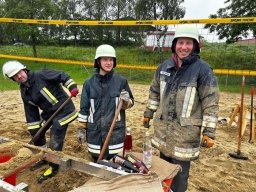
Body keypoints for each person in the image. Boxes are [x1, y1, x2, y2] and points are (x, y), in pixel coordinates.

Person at [143, 25, 219, 192]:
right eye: (180, 42)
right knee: (163, 170)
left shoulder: (203, 71)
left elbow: (210, 102)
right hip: (164, 131)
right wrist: (148, 113)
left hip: (185, 134)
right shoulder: (163, 68)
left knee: (179, 177)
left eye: (188, 43)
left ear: (195, 46)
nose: (184, 47)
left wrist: (209, 132)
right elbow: (155, 92)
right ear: (174, 44)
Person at [2, 60, 79, 183]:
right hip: (49, 113)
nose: (19, 76)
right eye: (15, 76)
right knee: (37, 132)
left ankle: (53, 166)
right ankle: (43, 156)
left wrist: (72, 87)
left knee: (56, 131)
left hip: (64, 109)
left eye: (20, 73)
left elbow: (62, 75)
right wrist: (34, 132)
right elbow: (31, 112)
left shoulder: (41, 74)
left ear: (24, 70)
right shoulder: (24, 91)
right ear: (13, 79)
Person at [77, 44, 134, 162]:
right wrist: (81, 128)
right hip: (95, 135)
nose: (108, 63)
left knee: (115, 164)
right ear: (98, 61)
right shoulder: (89, 83)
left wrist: (125, 102)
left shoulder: (121, 81)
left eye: (111, 59)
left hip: (115, 135)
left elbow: (131, 102)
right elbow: (84, 108)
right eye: (105, 59)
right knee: (96, 164)